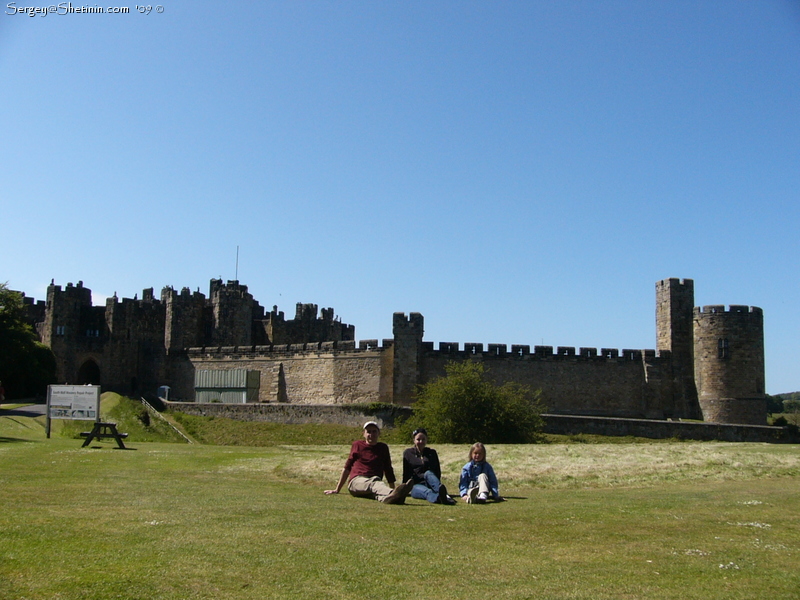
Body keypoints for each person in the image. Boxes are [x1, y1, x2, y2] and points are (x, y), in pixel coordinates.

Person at [324, 421, 413, 504]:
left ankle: (394, 498)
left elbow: (388, 468)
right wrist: (337, 489)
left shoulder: (383, 448)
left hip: (375, 483)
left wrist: (392, 486)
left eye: (374, 431)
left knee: (377, 494)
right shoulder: (357, 445)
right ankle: (394, 492)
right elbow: (347, 467)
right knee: (373, 483)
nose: (371, 434)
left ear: (379, 433)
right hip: (357, 482)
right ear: (364, 434)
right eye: (369, 432)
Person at [402, 428, 456, 505]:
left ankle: (445, 495)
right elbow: (406, 472)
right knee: (427, 492)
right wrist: (404, 489)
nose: (421, 442)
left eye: (423, 439)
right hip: (416, 485)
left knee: (428, 473)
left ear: (426, 440)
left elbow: (437, 471)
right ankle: (439, 498)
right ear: (414, 440)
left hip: (431, 482)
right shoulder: (408, 453)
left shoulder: (432, 453)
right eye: (418, 439)